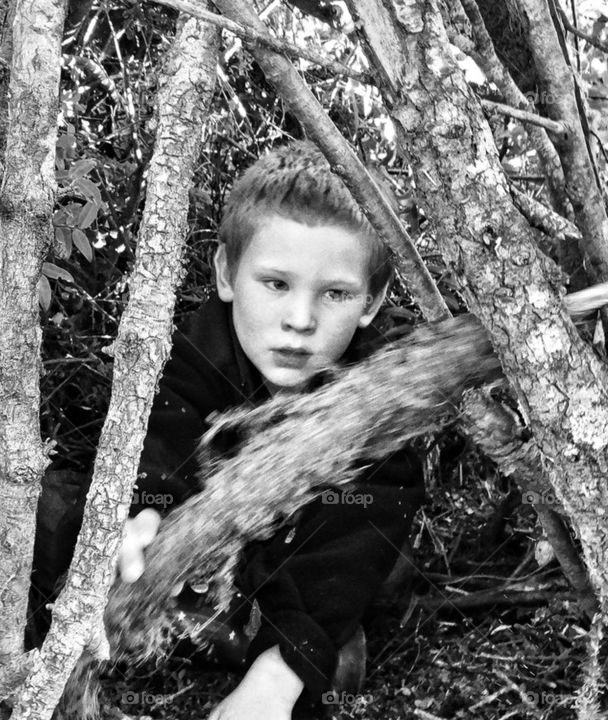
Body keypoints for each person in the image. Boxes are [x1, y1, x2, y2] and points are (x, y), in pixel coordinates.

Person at [32, 140, 425, 719]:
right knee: (55, 511)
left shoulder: (381, 397)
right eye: (276, 284)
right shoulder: (193, 351)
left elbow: (354, 543)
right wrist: (139, 516)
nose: (300, 320)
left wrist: (280, 673)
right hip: (197, 578)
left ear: (371, 302)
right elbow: (161, 437)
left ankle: (273, 664)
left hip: (287, 595)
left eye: (335, 293)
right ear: (226, 274)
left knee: (337, 645)